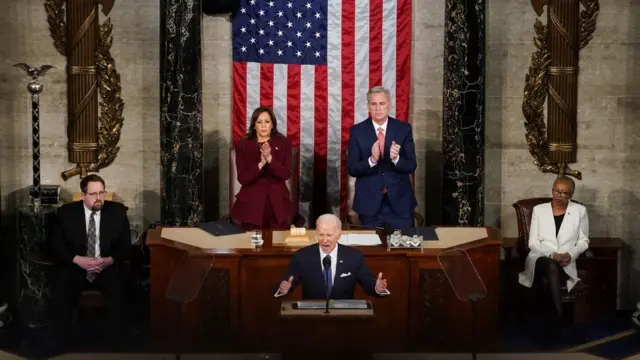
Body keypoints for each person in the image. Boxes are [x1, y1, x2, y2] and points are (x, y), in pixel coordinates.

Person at [51, 174, 130, 346]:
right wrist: (76, 259)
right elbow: (56, 244)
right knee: (61, 291)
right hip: (77, 266)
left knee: (120, 291)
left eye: (102, 193)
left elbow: (125, 246)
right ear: (83, 195)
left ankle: (113, 344)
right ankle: (64, 343)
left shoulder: (118, 212)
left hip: (106, 266)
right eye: (94, 194)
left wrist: (110, 260)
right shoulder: (66, 213)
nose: (99, 198)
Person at [518, 176, 589, 333]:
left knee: (553, 270)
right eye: (556, 191)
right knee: (550, 265)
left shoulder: (579, 211)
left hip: (565, 263)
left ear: (571, 195)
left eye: (564, 193)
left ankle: (552, 321)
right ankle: (558, 319)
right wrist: (551, 255)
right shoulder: (539, 210)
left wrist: (570, 255)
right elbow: (533, 244)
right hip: (539, 260)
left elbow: (584, 241)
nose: (558, 195)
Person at [347, 86, 417, 229]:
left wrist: (396, 158)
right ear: (368, 106)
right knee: (371, 249)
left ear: (389, 105)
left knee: (404, 247)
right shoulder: (357, 131)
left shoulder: (403, 129)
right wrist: (371, 160)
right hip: (369, 205)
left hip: (400, 203)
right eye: (374, 104)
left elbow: (412, 165)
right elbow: (352, 169)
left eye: (382, 103)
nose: (378, 108)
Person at [274, 214, 390, 299]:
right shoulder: (302, 256)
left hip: (343, 317)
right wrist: (284, 288)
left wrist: (377, 287)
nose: (325, 240)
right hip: (311, 316)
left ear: (339, 235)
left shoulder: (354, 256)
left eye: (329, 235)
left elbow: (368, 282)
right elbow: (287, 282)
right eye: (321, 235)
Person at [231, 106, 293, 230]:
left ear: (272, 125)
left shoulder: (283, 143)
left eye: (267, 122)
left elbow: (285, 174)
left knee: (276, 246)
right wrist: (261, 164)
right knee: (251, 246)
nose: (263, 125)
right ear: (254, 125)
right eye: (259, 122)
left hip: (277, 205)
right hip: (251, 206)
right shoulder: (243, 145)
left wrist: (270, 159)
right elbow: (243, 178)